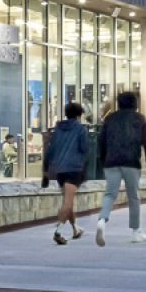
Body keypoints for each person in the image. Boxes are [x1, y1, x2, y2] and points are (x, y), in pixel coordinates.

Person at [94, 91, 146, 244]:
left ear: (119, 103)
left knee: (109, 194)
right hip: (131, 162)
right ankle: (136, 232)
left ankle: (102, 220)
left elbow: (101, 142)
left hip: (111, 162)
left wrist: (103, 161)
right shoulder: (139, 119)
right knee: (133, 196)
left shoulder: (109, 119)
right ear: (134, 103)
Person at [42, 102, 94, 245]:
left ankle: (75, 229)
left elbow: (50, 151)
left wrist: (45, 171)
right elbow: (84, 149)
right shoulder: (81, 129)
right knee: (68, 201)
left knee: (68, 200)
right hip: (74, 169)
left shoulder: (58, 130)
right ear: (79, 115)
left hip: (60, 170)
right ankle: (58, 231)